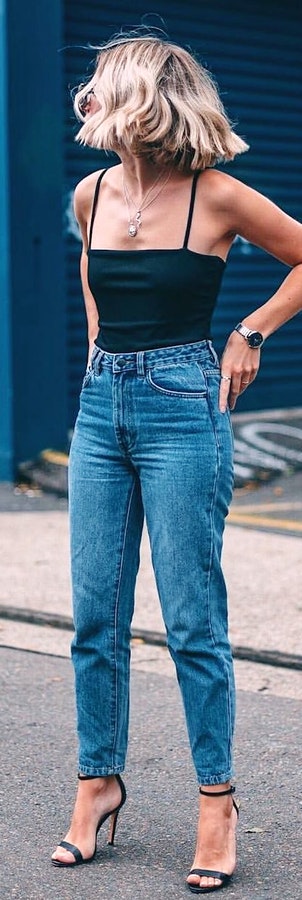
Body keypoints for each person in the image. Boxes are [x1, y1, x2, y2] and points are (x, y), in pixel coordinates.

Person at [51, 30, 302, 893]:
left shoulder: (219, 196)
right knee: (94, 616)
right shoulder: (90, 193)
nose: (88, 98)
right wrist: (95, 358)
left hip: (182, 409)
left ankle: (217, 802)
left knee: (193, 621)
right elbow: (93, 279)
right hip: (100, 407)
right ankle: (97, 786)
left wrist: (249, 332)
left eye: (102, 87)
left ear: (143, 100)